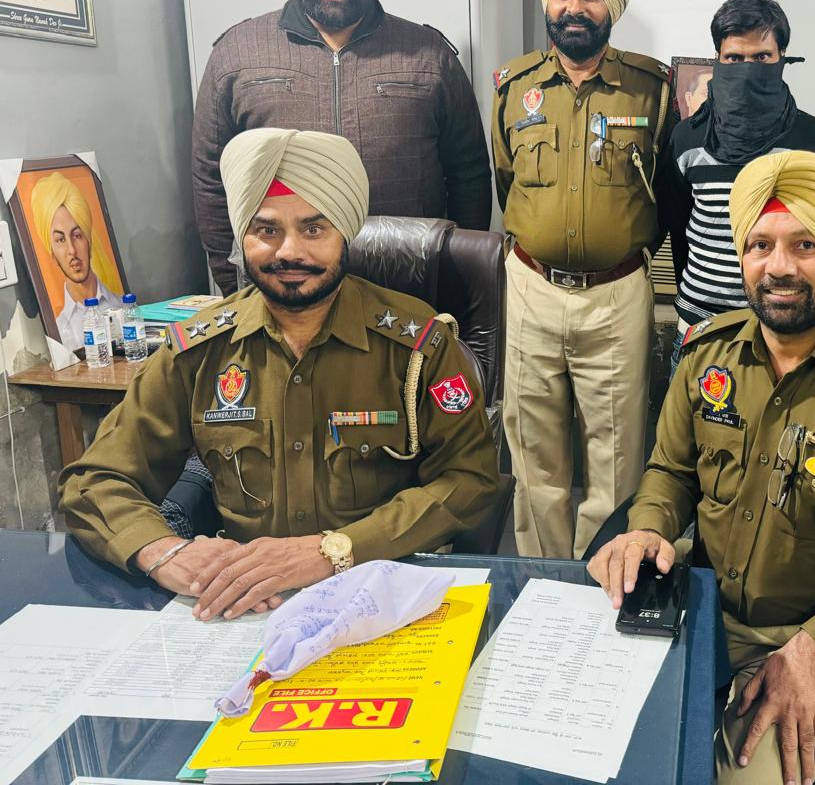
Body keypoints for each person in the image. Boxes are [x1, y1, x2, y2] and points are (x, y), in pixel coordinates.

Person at [590, 150, 815, 785]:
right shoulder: (706, 357)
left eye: (805, 245)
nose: (778, 266)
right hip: (699, 606)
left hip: (814, 634)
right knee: (600, 747)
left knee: (728, 776)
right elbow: (672, 471)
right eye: (760, 245)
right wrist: (647, 528)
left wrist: (814, 646)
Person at [60, 128, 499, 621]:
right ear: (242, 236)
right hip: (245, 607)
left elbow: (471, 480)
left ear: (345, 232)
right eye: (266, 230)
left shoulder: (418, 345)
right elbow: (93, 480)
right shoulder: (197, 350)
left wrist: (333, 550)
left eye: (314, 230)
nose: (290, 252)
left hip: (384, 592)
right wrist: (164, 553)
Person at [192, 0, 491, 296]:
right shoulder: (238, 53)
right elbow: (210, 180)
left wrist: (456, 279)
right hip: (282, 286)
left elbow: (469, 175)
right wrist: (236, 288)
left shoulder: (427, 54)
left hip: (407, 287)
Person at [491, 0, 674, 560]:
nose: (575, 7)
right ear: (548, 0)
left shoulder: (651, 89)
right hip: (530, 287)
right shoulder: (513, 87)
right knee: (532, 451)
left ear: (612, 4)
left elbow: (664, 193)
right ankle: (543, 580)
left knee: (617, 453)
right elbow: (506, 181)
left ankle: (603, 576)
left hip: (616, 294)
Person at [657, 0, 815, 343]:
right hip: (699, 324)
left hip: (786, 327)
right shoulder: (687, 138)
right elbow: (678, 224)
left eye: (761, 57)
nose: (748, 69)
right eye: (734, 58)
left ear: (781, 56)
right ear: (717, 59)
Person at [29, 172, 124, 347]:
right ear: (53, 255)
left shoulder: (122, 306)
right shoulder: (59, 331)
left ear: (89, 242)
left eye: (77, 235)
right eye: (60, 240)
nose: (72, 250)